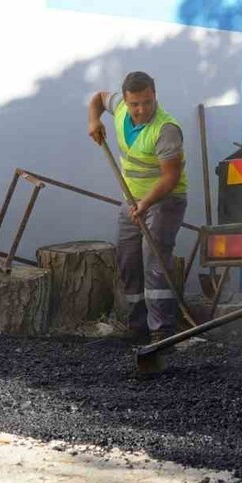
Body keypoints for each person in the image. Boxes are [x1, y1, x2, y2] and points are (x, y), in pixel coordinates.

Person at [87, 72, 188, 343]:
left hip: (165, 201)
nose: (141, 109)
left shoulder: (166, 130)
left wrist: (146, 203)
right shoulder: (120, 107)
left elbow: (171, 177)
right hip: (132, 201)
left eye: (147, 102)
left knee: (155, 263)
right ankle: (137, 327)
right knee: (129, 261)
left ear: (155, 95)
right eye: (135, 104)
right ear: (127, 101)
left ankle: (161, 332)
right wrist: (94, 120)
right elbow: (98, 97)